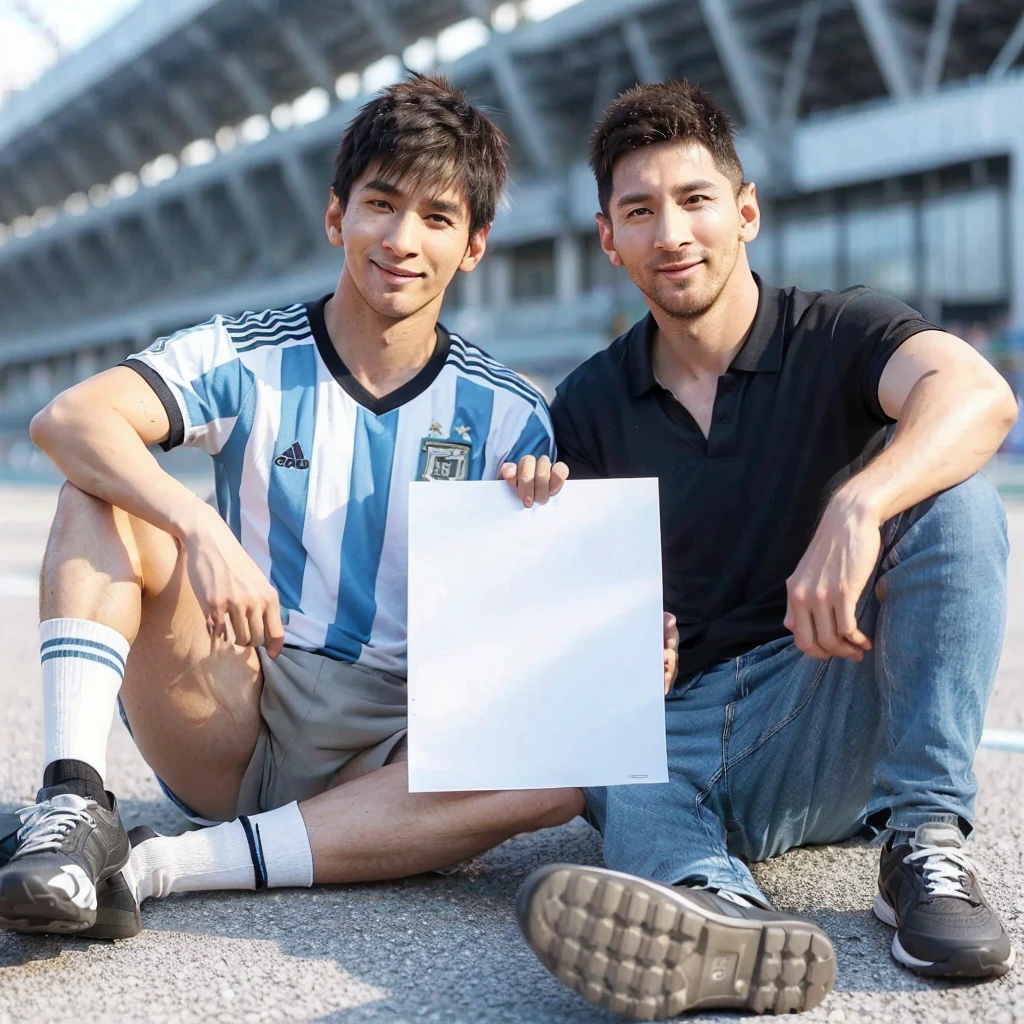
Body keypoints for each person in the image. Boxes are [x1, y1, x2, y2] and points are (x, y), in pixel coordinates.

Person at [0, 74, 588, 940]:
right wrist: (199, 526)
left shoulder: (511, 412)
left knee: (558, 775)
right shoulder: (245, 351)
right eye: (380, 204)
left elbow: (528, 621)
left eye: (437, 217)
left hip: (392, 743)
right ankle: (75, 803)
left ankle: (156, 868)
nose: (401, 239)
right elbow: (71, 419)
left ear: (475, 245)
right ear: (335, 216)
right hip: (237, 702)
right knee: (101, 491)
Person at [511, 80, 1018, 1021]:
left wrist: (860, 504)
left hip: (834, 689)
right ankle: (716, 918)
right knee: (622, 770)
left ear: (745, 211)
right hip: (696, 730)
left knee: (956, 504)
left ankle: (924, 844)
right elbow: (566, 616)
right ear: (608, 240)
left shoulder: (840, 331)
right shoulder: (586, 403)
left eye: (696, 200)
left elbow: (981, 395)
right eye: (640, 210)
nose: (672, 232)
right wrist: (614, 631)